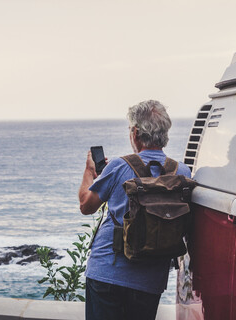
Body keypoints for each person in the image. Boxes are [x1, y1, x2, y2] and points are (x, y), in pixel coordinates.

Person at [78, 100, 192, 320]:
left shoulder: (119, 166)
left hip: (107, 273)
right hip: (149, 281)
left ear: (136, 133)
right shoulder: (182, 172)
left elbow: (86, 205)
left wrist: (89, 172)